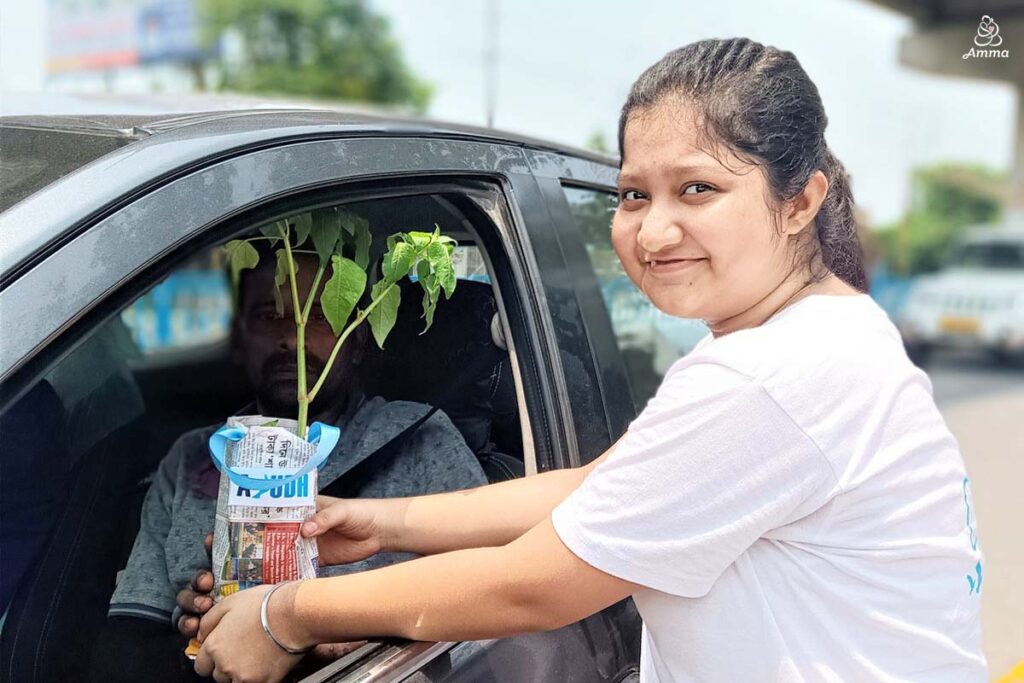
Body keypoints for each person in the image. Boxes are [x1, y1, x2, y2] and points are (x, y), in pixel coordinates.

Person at [194, 39, 987, 683]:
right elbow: (602, 483)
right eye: (635, 194)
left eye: (698, 189)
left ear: (800, 201)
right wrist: (377, 522)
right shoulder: (821, 332)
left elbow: (534, 583)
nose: (652, 231)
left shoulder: (768, 378)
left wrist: (285, 613)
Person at [89, 241, 487, 682]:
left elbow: (492, 599)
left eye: (320, 316)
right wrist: (192, 624)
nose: (292, 337)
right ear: (240, 339)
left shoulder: (418, 437)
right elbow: (131, 630)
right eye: (268, 314)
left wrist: (343, 630)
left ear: (356, 341)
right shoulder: (192, 458)